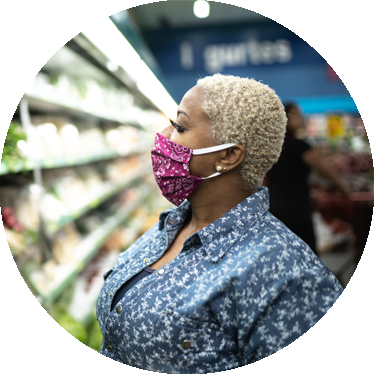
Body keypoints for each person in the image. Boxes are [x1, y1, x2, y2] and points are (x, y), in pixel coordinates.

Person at [96, 75, 350, 374]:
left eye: (179, 126)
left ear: (228, 155)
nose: (163, 135)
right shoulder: (171, 225)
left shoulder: (288, 276)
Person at [266, 103, 350, 255]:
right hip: (296, 208)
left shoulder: (271, 147)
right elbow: (325, 170)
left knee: (283, 253)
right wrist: (344, 188)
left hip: (275, 206)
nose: (301, 117)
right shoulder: (299, 146)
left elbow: (267, 178)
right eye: (296, 114)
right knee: (307, 253)